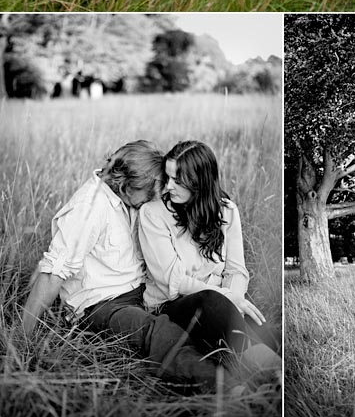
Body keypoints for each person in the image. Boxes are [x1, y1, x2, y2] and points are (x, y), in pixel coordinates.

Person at [19, 140, 225, 389]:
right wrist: (21, 338)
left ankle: (261, 362)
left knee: (207, 305)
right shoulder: (89, 207)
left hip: (145, 296)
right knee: (156, 331)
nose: (157, 197)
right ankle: (222, 384)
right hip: (101, 305)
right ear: (126, 185)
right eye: (151, 191)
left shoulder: (130, 198)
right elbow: (53, 273)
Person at [138, 139, 280, 375]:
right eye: (168, 177)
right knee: (213, 304)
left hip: (220, 301)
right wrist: (227, 298)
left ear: (200, 183)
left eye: (178, 181)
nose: (168, 187)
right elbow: (172, 280)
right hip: (172, 304)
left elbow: (236, 270)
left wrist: (234, 298)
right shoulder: (153, 214)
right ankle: (268, 373)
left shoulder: (226, 210)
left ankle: (271, 368)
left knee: (267, 330)